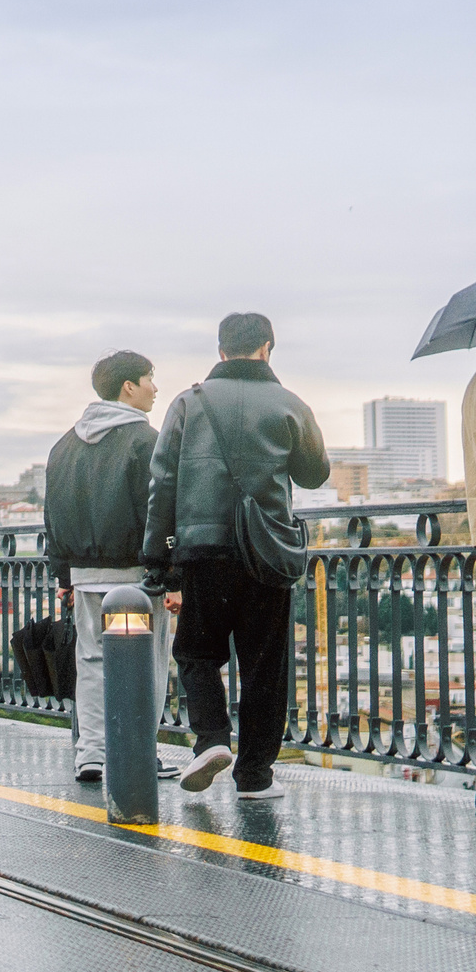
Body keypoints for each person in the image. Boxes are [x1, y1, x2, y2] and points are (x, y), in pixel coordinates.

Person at [143, 313, 330, 799]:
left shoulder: (188, 402)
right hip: (267, 551)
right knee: (265, 665)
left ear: (221, 351)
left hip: (202, 551)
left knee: (196, 651)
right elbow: (314, 475)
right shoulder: (290, 404)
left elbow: (162, 483)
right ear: (267, 348)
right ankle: (255, 776)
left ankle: (211, 739)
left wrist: (156, 559)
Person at [44, 350, 172, 784]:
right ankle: (139, 752)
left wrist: (64, 575)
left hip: (85, 577)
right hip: (137, 577)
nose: (155, 388)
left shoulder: (65, 445)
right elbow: (159, 512)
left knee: (93, 662)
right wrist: (169, 572)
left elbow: (52, 515)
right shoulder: (146, 441)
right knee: (146, 663)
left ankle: (92, 754)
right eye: (150, 379)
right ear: (128, 387)